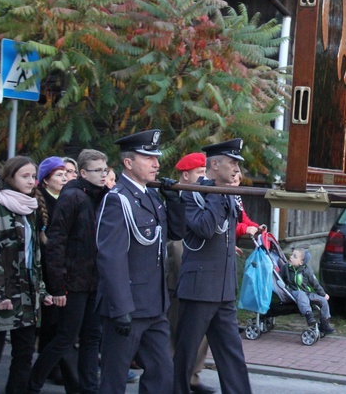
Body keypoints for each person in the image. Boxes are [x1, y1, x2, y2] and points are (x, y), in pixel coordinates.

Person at [95, 129, 185, 393]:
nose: (156, 163)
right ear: (128, 162)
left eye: (156, 157)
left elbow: (175, 234)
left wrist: (175, 202)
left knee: (162, 373)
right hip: (127, 307)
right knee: (114, 378)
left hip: (154, 306)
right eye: (148, 158)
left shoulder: (150, 196)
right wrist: (120, 306)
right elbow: (111, 258)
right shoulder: (118, 200)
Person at [27, 149, 111, 394]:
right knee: (64, 339)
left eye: (105, 170)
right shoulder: (72, 197)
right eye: (98, 171)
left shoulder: (103, 196)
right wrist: (57, 285)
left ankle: (88, 389)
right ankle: (31, 385)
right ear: (83, 173)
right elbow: (56, 242)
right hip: (72, 282)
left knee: (91, 338)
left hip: (95, 281)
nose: (103, 175)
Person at [173, 138, 252, 394]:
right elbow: (206, 229)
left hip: (223, 288)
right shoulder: (193, 193)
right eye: (232, 163)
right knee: (185, 353)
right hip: (199, 287)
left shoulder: (226, 192)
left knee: (232, 355)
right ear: (214, 165)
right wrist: (218, 191)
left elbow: (226, 233)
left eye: (238, 164)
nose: (236, 170)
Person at [0, 156, 54, 393]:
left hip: (26, 293)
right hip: (0, 292)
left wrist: (41, 290)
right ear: (11, 177)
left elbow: (33, 254)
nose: (31, 181)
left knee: (24, 355)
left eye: (32, 176)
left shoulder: (30, 206)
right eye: (24, 176)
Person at [166, 152, 215, 394]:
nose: (205, 178)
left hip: (204, 267)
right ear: (186, 175)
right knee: (177, 322)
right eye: (200, 174)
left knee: (202, 326)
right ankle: (175, 376)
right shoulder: (177, 196)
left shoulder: (205, 196)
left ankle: (193, 375)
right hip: (179, 263)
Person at [34, 157, 79, 391]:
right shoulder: (41, 201)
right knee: (52, 326)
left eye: (68, 174)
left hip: (64, 268)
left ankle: (60, 370)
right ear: (46, 179)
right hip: (49, 267)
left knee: (61, 327)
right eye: (60, 174)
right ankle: (47, 370)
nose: (65, 178)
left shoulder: (68, 198)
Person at [282, 248, 335, 334]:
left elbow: (315, 284)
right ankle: (309, 315)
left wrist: (323, 294)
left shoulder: (307, 271)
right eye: (292, 255)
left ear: (301, 262)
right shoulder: (286, 268)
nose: (291, 257)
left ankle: (324, 323)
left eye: (294, 256)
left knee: (323, 301)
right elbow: (280, 280)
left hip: (307, 293)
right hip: (293, 292)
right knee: (301, 294)